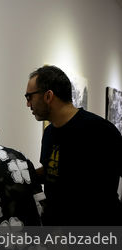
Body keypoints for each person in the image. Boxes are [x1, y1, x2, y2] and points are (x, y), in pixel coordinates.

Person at [25, 65, 122, 225]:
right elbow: (52, 172)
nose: (28, 104)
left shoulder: (100, 130)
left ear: (48, 96)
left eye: (29, 97)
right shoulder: (49, 132)